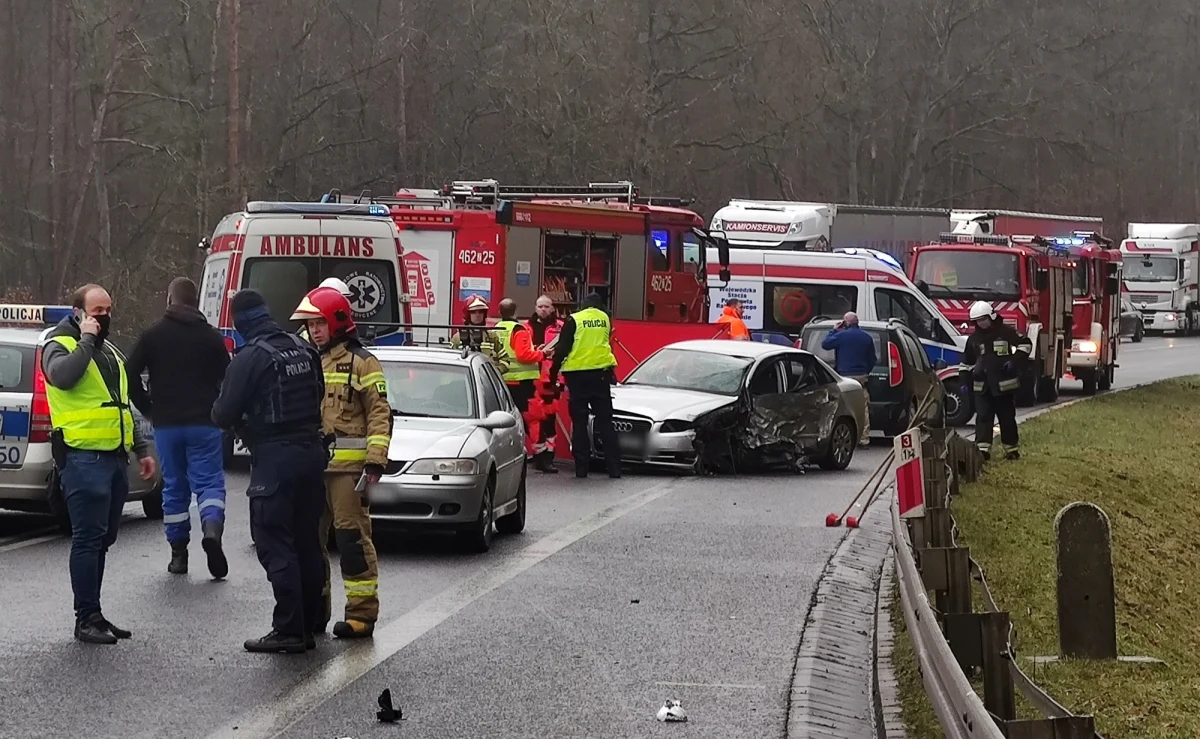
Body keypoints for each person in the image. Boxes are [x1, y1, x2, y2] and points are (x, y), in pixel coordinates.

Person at [212, 289, 327, 653]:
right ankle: (308, 625)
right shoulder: (304, 348)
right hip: (312, 454)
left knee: (275, 541)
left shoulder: (250, 357)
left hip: (276, 458)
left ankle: (289, 629)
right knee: (307, 541)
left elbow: (223, 414)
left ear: (240, 322)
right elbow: (319, 395)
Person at [42, 284, 158, 644]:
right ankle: (86, 617)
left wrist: (141, 449)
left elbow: (121, 405)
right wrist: (87, 340)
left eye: (108, 310)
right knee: (88, 539)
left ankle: (95, 612)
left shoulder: (109, 352)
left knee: (104, 538)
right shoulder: (59, 345)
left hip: (114, 458)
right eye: (97, 311)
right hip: (82, 458)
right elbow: (62, 377)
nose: (105, 317)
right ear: (78, 313)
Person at [291, 286, 392, 640]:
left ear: (336, 322)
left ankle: (361, 615)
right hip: (311, 468)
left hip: (348, 473)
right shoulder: (305, 360)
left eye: (319, 323)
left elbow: (379, 413)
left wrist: (375, 461)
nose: (314, 330)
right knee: (308, 542)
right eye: (310, 325)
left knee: (351, 540)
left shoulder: (362, 362)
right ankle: (315, 610)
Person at [126, 277, 231, 578]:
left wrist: (148, 408)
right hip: (205, 423)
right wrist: (222, 412)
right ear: (196, 302)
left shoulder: (153, 335)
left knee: (174, 486)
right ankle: (211, 531)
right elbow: (229, 379)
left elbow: (129, 373)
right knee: (209, 483)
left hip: (167, 425)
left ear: (170, 300)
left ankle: (178, 555)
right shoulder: (211, 337)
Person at [548, 293, 620, 479]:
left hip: (577, 376)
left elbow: (563, 349)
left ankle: (582, 468)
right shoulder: (605, 319)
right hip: (601, 375)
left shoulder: (574, 320)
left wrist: (553, 373)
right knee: (605, 422)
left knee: (579, 422)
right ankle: (614, 468)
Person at [961, 301, 1030, 461]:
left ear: (991, 316)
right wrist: (965, 382)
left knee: (1007, 418)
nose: (981, 323)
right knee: (983, 418)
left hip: (1003, 386)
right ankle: (982, 451)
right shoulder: (974, 339)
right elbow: (966, 363)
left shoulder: (1005, 332)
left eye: (983, 319)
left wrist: (1014, 361)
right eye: (977, 320)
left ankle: (1011, 450)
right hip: (982, 387)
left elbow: (1025, 345)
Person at [494, 298, 546, 463]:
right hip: (522, 382)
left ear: (500, 312)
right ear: (516, 312)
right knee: (532, 418)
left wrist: (533, 349)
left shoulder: (496, 328)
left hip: (503, 381)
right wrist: (542, 354)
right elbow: (523, 356)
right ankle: (542, 456)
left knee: (506, 419)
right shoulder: (519, 329)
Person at [821, 312, 876, 446]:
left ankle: (839, 435)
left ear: (845, 323)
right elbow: (872, 359)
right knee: (863, 408)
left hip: (843, 377)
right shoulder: (867, 338)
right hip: (861, 377)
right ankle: (863, 439)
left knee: (841, 407)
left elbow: (825, 344)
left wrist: (834, 330)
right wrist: (865, 371)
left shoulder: (841, 336)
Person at [526, 296, 564, 473]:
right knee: (533, 418)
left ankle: (548, 455)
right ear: (535, 308)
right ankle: (538, 453)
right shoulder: (526, 328)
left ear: (552, 308)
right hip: (532, 378)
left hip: (552, 379)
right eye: (540, 306)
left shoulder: (561, 328)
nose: (543, 309)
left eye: (546, 306)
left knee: (549, 418)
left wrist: (561, 380)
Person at [450, 296, 505, 367]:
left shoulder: (491, 336)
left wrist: (495, 371)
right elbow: (451, 361)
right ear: (467, 314)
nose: (477, 315)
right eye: (473, 312)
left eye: (481, 312)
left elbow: (505, 359)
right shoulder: (458, 338)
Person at [298, 278, 353, 343]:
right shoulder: (305, 335)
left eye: (321, 323)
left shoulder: (351, 327)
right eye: (311, 324)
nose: (315, 330)